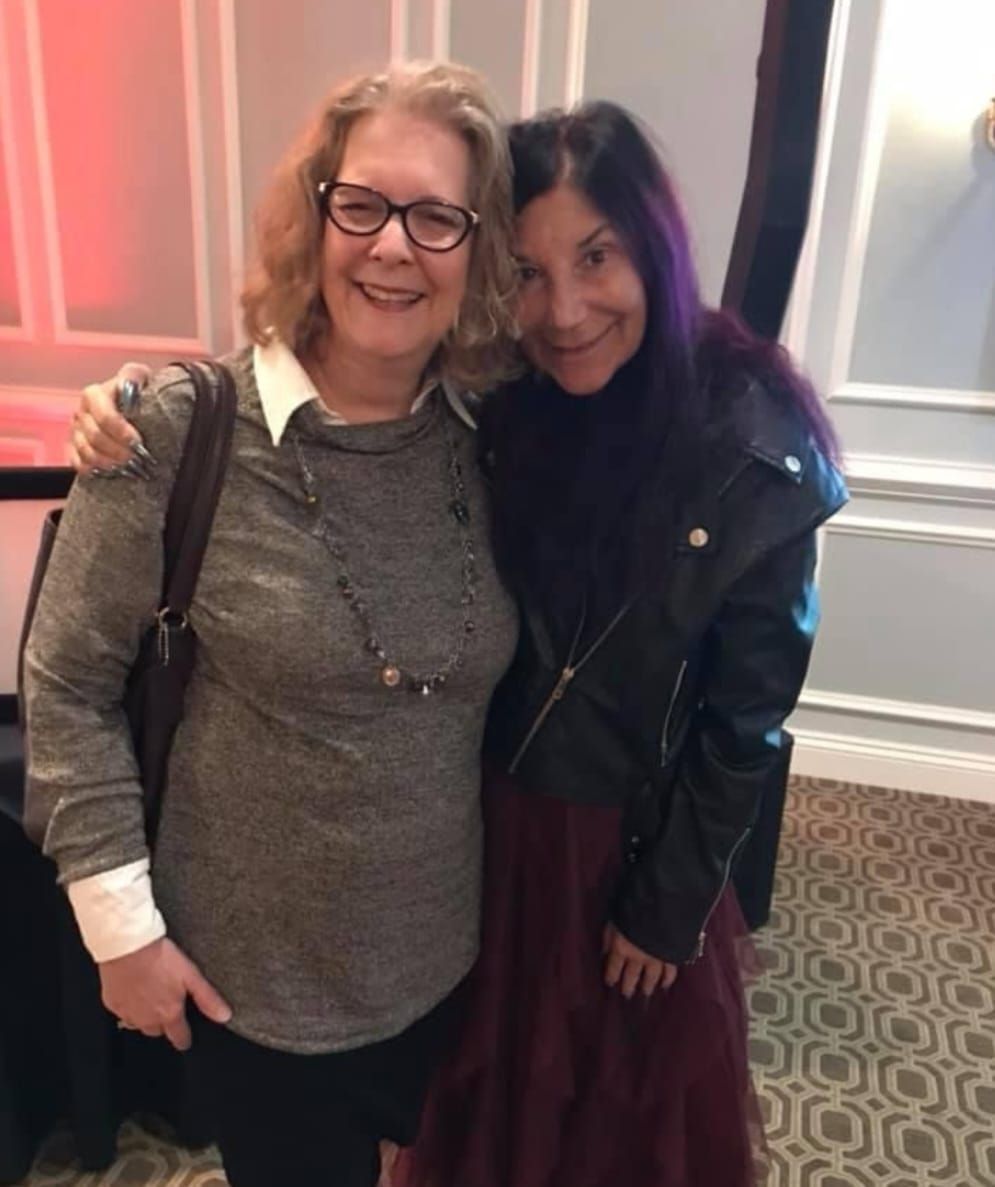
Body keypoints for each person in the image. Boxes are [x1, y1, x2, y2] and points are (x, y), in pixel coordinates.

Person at [67, 101, 847, 1186]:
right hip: (475, 859)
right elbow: (295, 390)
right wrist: (139, 397)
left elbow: (747, 720)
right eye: (526, 270)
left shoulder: (746, 441)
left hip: (618, 869)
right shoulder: (503, 400)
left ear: (654, 252)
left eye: (597, 256)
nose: (565, 308)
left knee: (602, 1143)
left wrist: (666, 906)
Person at [23, 61, 522, 1187]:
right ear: (316, 216)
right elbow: (65, 683)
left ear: (475, 249)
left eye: (436, 217)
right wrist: (122, 932)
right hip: (256, 984)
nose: (394, 246)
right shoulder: (173, 433)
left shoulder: (488, 439)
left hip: (446, 960)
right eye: (363, 204)